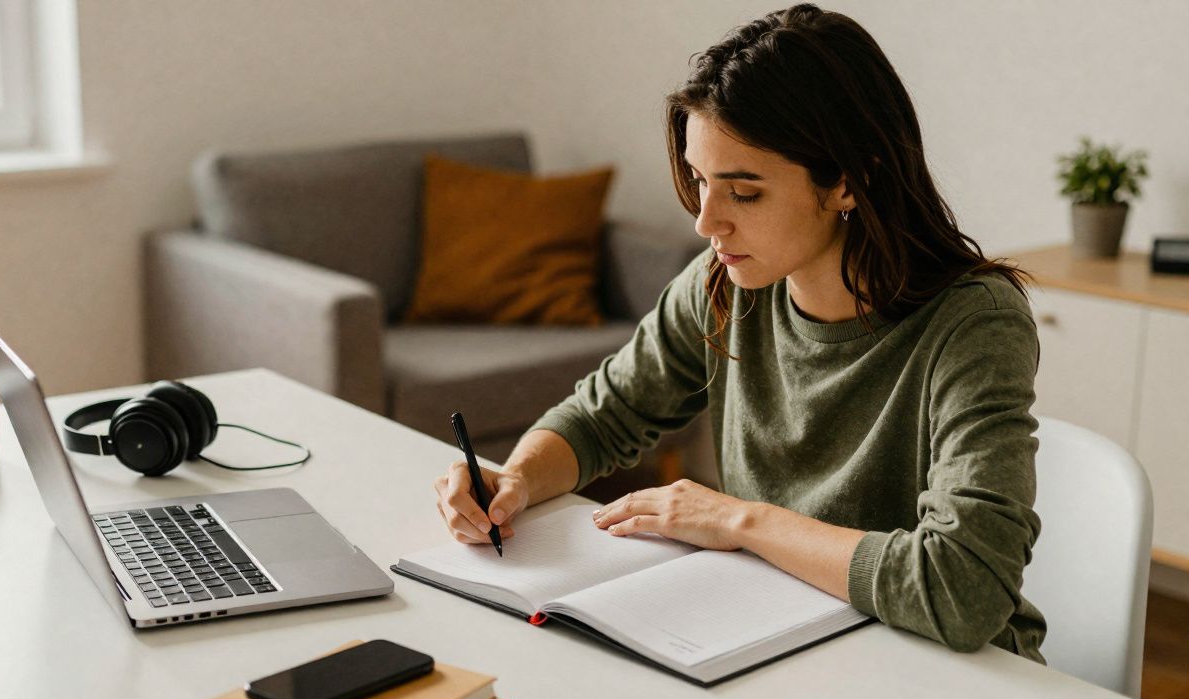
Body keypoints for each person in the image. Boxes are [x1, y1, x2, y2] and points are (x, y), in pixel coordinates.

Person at [432, 3, 1046, 662]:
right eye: (699, 181)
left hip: (949, 674)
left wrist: (737, 520)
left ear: (849, 180)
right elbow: (605, 414)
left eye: (743, 193)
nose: (705, 221)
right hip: (785, 643)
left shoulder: (974, 325)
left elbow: (963, 591)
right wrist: (517, 477)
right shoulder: (724, 285)